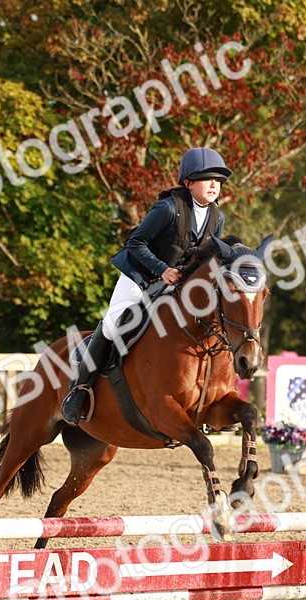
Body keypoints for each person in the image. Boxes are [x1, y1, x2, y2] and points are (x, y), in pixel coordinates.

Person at [60, 147, 231, 425]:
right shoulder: (167, 208)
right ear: (188, 183)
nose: (214, 184)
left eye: (219, 180)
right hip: (140, 275)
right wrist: (162, 270)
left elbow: (210, 257)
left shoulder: (217, 217)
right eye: (206, 178)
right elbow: (135, 243)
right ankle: (79, 390)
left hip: (178, 284)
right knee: (115, 323)